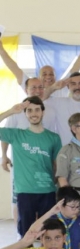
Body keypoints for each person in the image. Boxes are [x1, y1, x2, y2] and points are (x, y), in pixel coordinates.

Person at [0, 97, 62, 237]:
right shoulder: (16, 135)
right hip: (25, 191)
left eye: (37, 110)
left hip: (48, 191)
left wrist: (57, 183)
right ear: (25, 113)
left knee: (49, 233)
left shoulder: (53, 138)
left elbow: (57, 164)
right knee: (26, 233)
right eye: (29, 110)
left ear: (43, 112)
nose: (34, 113)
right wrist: (11, 111)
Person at [0, 32, 80, 99]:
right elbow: (14, 68)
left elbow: (76, 67)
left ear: (56, 77)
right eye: (44, 74)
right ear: (39, 77)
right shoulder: (32, 86)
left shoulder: (61, 86)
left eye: (51, 74)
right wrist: (2, 51)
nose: (48, 77)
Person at [48, 72, 80, 146]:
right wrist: (54, 87)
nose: (77, 87)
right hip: (64, 152)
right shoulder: (59, 102)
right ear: (68, 87)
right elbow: (41, 98)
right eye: (73, 84)